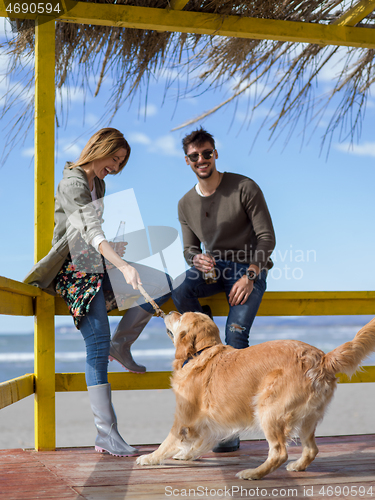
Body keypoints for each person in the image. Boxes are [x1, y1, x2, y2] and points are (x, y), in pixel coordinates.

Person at [24, 128, 171, 457]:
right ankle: (107, 434)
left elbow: (94, 235)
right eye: (115, 159)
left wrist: (114, 252)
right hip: (73, 270)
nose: (116, 168)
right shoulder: (72, 183)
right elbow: (88, 229)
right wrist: (122, 264)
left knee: (162, 282)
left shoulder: (99, 184)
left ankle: (123, 343)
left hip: (95, 261)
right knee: (96, 344)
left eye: (121, 163)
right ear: (100, 149)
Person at [172, 128, 276, 452]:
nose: (201, 160)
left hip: (248, 271)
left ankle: (229, 429)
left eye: (206, 153)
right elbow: (189, 249)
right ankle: (207, 334)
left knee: (236, 341)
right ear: (187, 161)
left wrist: (252, 274)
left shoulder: (244, 187)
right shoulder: (185, 203)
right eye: (194, 156)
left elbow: (267, 238)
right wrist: (196, 258)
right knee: (180, 287)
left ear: (215, 154)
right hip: (214, 271)